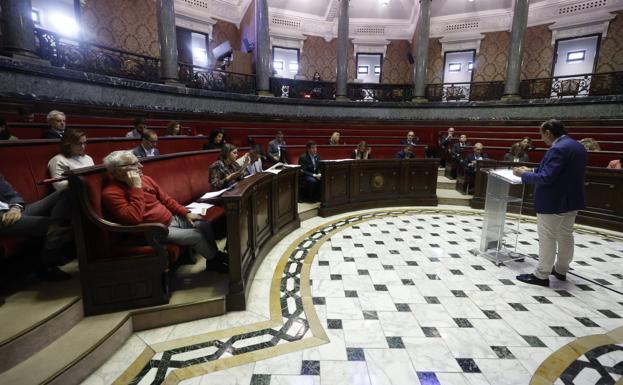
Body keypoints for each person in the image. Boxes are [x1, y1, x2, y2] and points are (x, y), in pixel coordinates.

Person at [101, 151, 227, 272]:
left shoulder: (146, 179)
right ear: (118, 170)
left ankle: (214, 259)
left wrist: (185, 212)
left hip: (172, 219)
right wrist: (136, 188)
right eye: (134, 164)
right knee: (195, 236)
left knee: (203, 224)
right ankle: (216, 260)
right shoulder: (111, 193)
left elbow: (166, 200)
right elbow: (134, 218)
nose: (141, 166)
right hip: (154, 230)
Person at [513, 119, 587, 287]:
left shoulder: (558, 148)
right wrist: (531, 170)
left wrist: (523, 175)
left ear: (548, 132)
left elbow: (547, 177)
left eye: (542, 135)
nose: (541, 139)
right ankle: (561, 270)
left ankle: (541, 275)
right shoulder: (577, 146)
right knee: (566, 235)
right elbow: (559, 171)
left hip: (554, 200)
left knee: (548, 237)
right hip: (571, 199)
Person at [0, 174, 72, 281]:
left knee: (66, 193)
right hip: (3, 219)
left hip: (16, 211)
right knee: (51, 225)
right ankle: (47, 261)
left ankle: (48, 257)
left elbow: (12, 195)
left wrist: (15, 207)